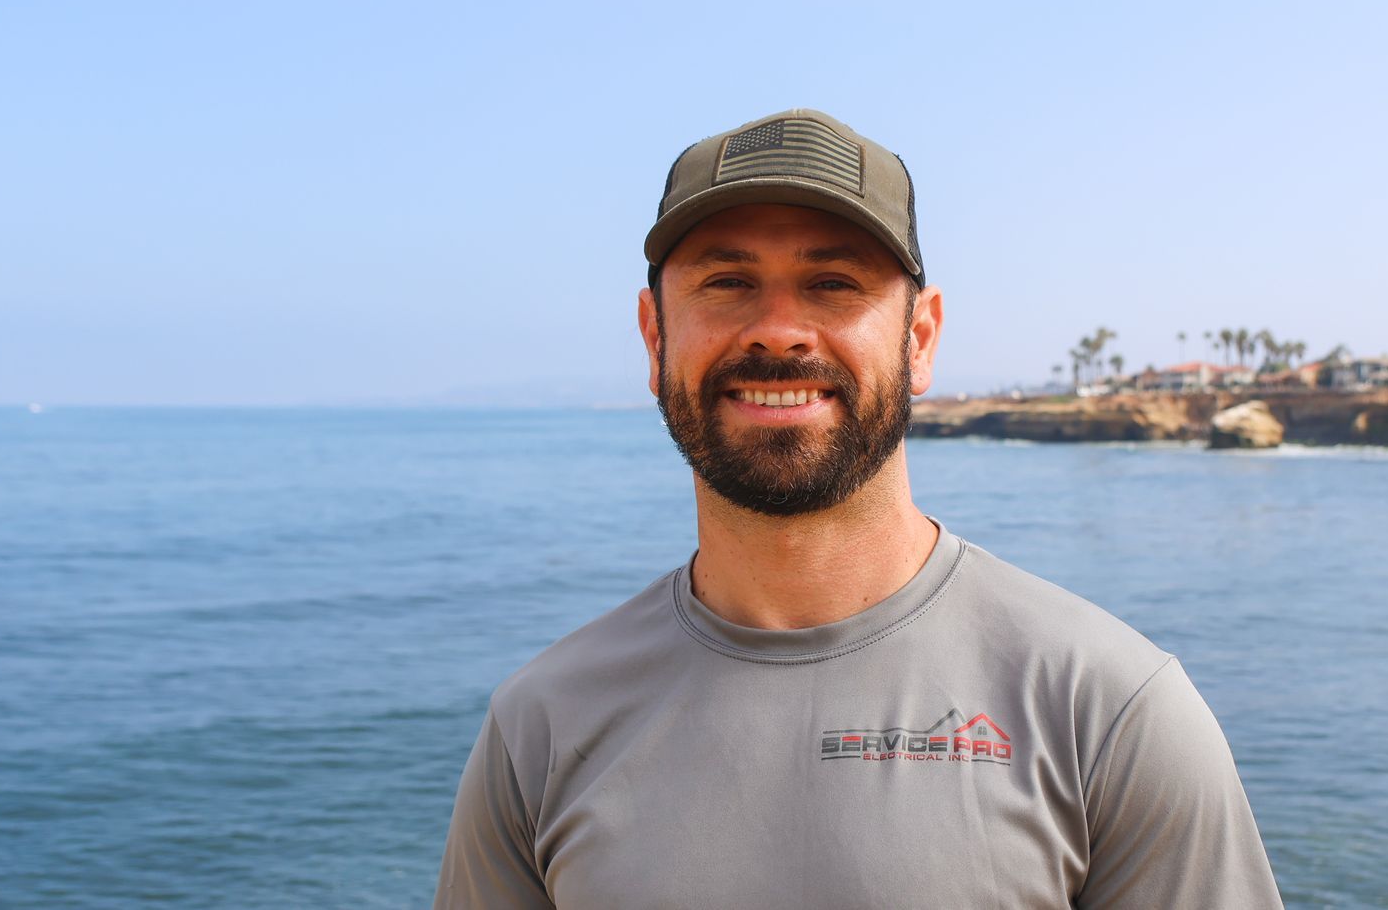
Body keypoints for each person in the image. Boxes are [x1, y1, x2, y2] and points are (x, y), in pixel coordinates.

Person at [432, 109, 1283, 908]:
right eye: (726, 281)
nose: (777, 331)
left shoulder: (1106, 708)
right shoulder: (540, 727)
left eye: (833, 282)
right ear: (655, 337)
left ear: (919, 340)